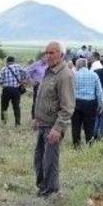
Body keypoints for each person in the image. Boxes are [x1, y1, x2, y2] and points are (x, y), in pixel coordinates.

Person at [33, 42, 74, 197]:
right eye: (47, 53)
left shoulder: (65, 75)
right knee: (39, 159)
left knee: (50, 161)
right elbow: (44, 98)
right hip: (42, 124)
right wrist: (36, 118)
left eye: (52, 53)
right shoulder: (49, 72)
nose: (48, 56)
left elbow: (67, 107)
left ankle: (51, 193)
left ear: (61, 55)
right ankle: (42, 188)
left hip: (53, 126)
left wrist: (58, 128)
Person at [71, 58, 103, 147]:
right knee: (90, 126)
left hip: (76, 102)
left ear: (77, 66)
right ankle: (89, 145)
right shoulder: (94, 75)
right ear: (86, 65)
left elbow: (70, 90)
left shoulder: (74, 75)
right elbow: (99, 91)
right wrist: (101, 104)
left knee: (76, 126)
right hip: (90, 103)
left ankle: (76, 146)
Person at [0, 56, 27, 126]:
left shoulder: (4, 69)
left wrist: (3, 85)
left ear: (7, 61)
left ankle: (4, 122)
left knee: (4, 107)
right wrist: (22, 80)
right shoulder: (18, 67)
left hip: (6, 90)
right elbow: (26, 72)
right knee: (16, 107)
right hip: (16, 90)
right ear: (13, 61)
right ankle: (17, 123)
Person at [26, 54, 47, 119]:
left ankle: (42, 116)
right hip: (37, 85)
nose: (46, 59)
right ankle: (34, 117)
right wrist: (31, 80)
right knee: (36, 101)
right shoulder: (36, 64)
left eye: (47, 57)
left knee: (45, 101)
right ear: (41, 57)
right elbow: (27, 72)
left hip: (46, 85)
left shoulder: (48, 65)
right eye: (45, 57)